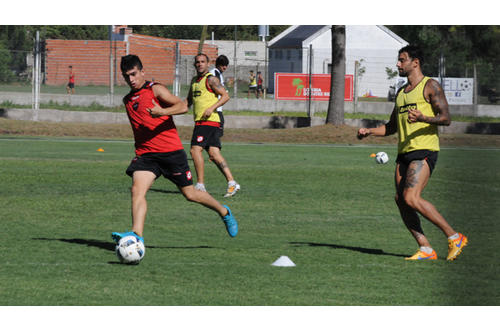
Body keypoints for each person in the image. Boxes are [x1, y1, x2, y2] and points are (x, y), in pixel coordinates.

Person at [111, 54, 238, 247]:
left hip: (171, 153)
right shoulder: (127, 100)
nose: (131, 79)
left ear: (142, 71)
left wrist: (162, 112)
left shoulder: (156, 89)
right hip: (146, 155)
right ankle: (136, 235)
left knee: (191, 194)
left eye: (134, 74)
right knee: (137, 190)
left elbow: (182, 106)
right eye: (126, 76)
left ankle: (224, 212)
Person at [357, 45, 468, 261]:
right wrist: (369, 131)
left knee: (411, 197)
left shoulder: (430, 86)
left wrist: (423, 118)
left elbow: (446, 118)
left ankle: (455, 237)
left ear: (415, 62)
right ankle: (426, 249)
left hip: (424, 150)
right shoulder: (401, 93)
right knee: (401, 199)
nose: (398, 64)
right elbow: (391, 127)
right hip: (404, 153)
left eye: (402, 60)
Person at [187, 54, 240, 198]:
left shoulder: (211, 79)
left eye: (203, 62)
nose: (200, 64)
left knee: (195, 150)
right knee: (214, 154)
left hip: (209, 121)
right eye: (197, 62)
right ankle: (232, 182)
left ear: (208, 63)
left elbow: (225, 96)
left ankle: (200, 185)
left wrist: (211, 108)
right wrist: (165, 111)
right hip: (201, 121)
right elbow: (187, 103)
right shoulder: (194, 81)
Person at [209, 55, 229, 136]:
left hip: (217, 108)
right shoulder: (214, 74)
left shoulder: (219, 74)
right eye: (223, 65)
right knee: (216, 135)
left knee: (215, 135)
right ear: (218, 65)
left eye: (226, 65)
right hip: (215, 109)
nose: (225, 67)